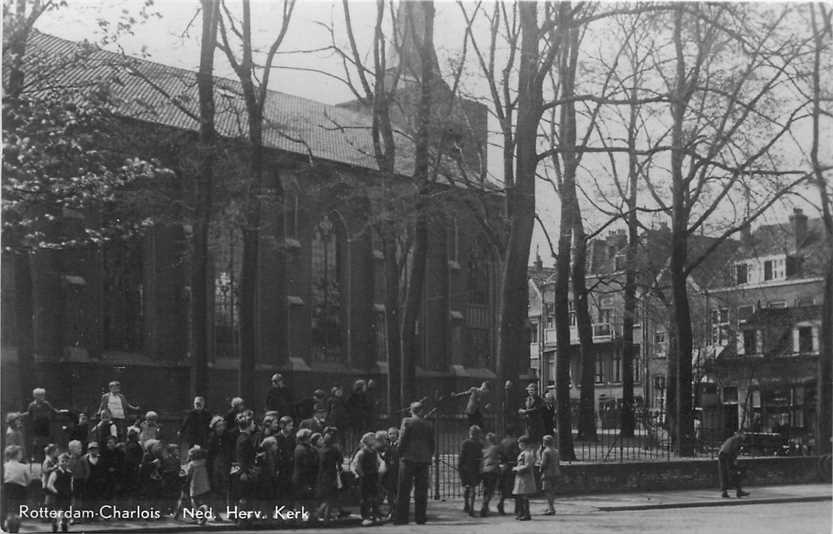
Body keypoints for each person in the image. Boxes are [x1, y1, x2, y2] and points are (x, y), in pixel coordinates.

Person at [394, 401, 434, 525]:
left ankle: (401, 518)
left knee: (404, 489)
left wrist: (399, 453)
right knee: (421, 490)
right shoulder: (429, 424)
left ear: (411, 410)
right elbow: (432, 443)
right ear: (421, 411)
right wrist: (428, 455)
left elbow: (403, 439)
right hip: (424, 459)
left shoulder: (407, 421)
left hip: (408, 458)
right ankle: (420, 517)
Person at [27, 388, 66, 461]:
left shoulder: (46, 404)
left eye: (43, 395)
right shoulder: (32, 405)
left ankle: (46, 456)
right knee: (36, 441)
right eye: (40, 395)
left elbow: (53, 410)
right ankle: (34, 456)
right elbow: (29, 414)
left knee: (46, 441)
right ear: (36, 396)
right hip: (37, 425)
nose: (42, 397)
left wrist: (60, 412)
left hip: (45, 424)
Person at [352, 432, 382, 526]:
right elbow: (357, 465)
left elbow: (379, 462)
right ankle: (365, 516)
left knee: (374, 497)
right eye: (372, 438)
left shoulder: (374, 452)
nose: (374, 440)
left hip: (373, 476)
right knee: (365, 498)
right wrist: (362, 475)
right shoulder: (362, 452)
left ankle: (375, 515)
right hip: (365, 477)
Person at [206, 416, 233, 516]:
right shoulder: (211, 438)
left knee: (227, 489)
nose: (221, 428)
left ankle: (229, 512)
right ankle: (215, 512)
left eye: (222, 426)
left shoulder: (227, 436)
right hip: (215, 468)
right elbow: (209, 455)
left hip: (226, 466)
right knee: (215, 490)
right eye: (218, 426)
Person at [315, 429, 343, 522]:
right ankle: (322, 516)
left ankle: (322, 516)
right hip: (331, 475)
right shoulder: (335, 450)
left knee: (326, 498)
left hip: (321, 475)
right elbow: (340, 461)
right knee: (330, 499)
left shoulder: (320, 450)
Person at [3, 445, 31, 532]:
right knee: (18, 510)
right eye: (20, 454)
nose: (21, 456)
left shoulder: (4, 466)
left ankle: (8, 523)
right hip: (20, 489)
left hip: (7, 488)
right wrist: (24, 484)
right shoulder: (23, 467)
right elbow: (29, 479)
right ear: (17, 455)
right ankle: (16, 527)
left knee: (9, 509)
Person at [458, 425, 483, 517]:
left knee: (466, 487)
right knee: (473, 487)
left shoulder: (465, 443)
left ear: (470, 433)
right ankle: (471, 507)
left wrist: (460, 466)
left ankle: (466, 504)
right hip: (476, 467)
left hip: (466, 467)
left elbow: (462, 455)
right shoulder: (480, 444)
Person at [45, 452, 73, 532]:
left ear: (68, 463)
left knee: (66, 512)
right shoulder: (55, 473)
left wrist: (71, 492)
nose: (64, 463)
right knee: (56, 513)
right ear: (59, 462)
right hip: (57, 495)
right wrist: (56, 491)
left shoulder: (69, 473)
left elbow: (71, 484)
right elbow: (49, 485)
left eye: (66, 461)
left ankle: (64, 528)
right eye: (62, 461)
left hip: (67, 495)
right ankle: (55, 528)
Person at [718, 431, 749, 498]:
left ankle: (725, 492)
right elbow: (733, 450)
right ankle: (739, 491)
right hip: (727, 456)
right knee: (735, 473)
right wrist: (734, 460)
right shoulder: (736, 440)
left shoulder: (732, 439)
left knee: (724, 474)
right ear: (740, 435)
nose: (745, 437)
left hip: (722, 455)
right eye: (744, 435)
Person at [512, 435, 536, 521]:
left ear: (524, 444)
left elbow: (528, 466)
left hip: (525, 478)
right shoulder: (522, 453)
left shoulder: (528, 454)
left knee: (524, 496)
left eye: (520, 443)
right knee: (520, 496)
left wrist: (517, 468)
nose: (519, 445)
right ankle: (521, 513)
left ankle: (526, 514)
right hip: (520, 477)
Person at [497, 426, 520, 515]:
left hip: (504, 466)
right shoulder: (515, 441)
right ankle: (517, 508)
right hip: (512, 465)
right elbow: (516, 453)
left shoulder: (502, 442)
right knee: (516, 487)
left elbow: (500, 454)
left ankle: (501, 504)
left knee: (504, 488)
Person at [292, 428, 319, 505]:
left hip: (303, 479)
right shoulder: (302, 449)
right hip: (303, 480)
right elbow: (307, 464)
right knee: (303, 503)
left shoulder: (303, 448)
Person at [274, 416, 296, 501]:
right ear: (283, 426)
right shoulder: (277, 437)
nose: (291, 427)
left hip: (290, 467)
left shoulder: (292, 438)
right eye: (289, 425)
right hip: (280, 467)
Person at [538, 435, 560, 515]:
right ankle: (550, 507)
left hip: (547, 473)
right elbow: (558, 462)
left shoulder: (546, 452)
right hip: (556, 472)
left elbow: (543, 464)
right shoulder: (556, 451)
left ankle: (551, 509)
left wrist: (540, 467)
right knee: (552, 491)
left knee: (547, 491)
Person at [480, 432, 500, 517]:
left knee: (485, 490)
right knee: (490, 490)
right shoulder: (496, 448)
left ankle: (485, 506)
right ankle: (484, 507)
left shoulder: (484, 450)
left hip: (485, 471)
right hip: (493, 471)